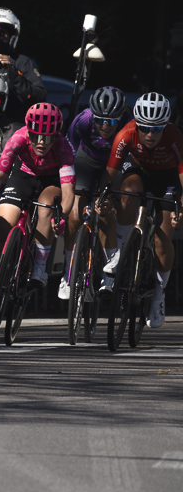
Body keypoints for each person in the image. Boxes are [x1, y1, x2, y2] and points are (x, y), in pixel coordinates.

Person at [0, 103, 74, 315]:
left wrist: (62, 215)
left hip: (50, 181)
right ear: (28, 131)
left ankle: (39, 264)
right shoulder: (18, 138)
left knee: (47, 207)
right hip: (22, 177)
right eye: (36, 135)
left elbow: (68, 192)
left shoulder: (64, 148)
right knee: (5, 222)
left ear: (55, 136)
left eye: (47, 138)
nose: (41, 142)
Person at [102, 92, 183, 327]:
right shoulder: (126, 133)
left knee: (162, 237)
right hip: (140, 170)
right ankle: (120, 252)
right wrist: (102, 200)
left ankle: (159, 292)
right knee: (127, 193)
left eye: (156, 129)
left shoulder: (176, 137)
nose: (149, 134)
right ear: (137, 123)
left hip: (168, 178)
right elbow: (109, 175)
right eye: (145, 127)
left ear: (165, 126)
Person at [58, 86, 130, 299]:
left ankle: (110, 271)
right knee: (75, 210)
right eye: (100, 120)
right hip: (86, 160)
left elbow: (131, 156)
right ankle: (68, 273)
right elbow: (68, 151)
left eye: (111, 121)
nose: (105, 126)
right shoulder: (83, 119)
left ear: (121, 116)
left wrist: (110, 191)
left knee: (106, 208)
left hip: (114, 164)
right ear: (93, 116)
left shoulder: (129, 123)